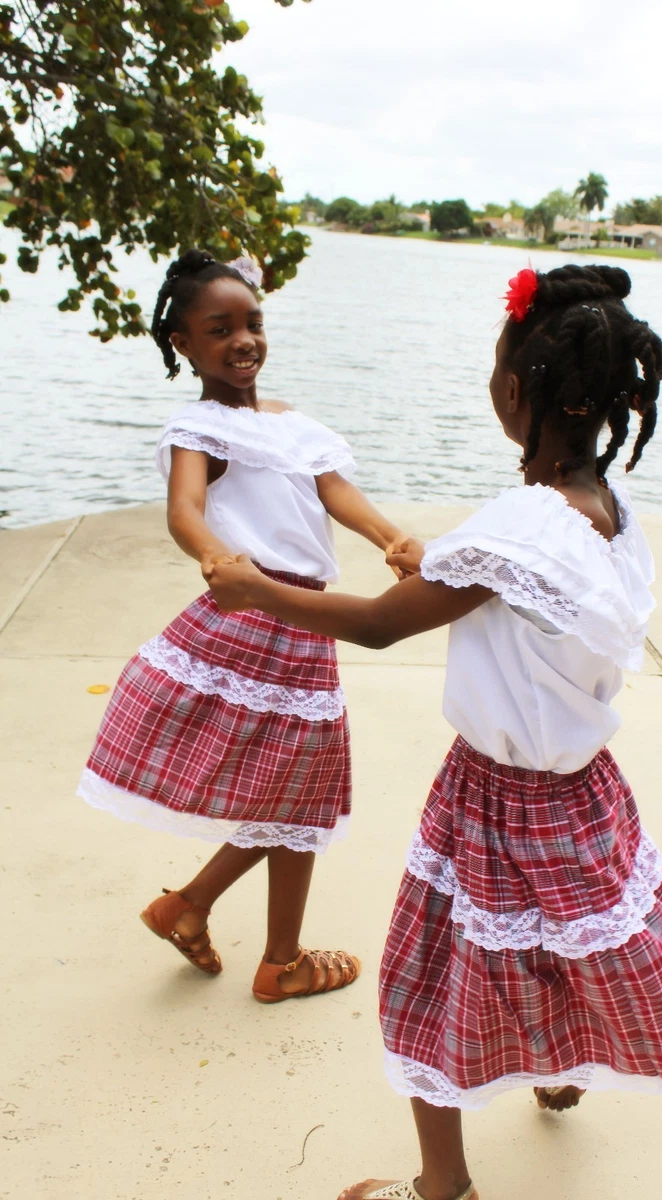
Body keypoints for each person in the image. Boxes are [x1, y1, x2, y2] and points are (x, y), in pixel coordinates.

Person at [206, 263, 662, 1200]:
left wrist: (253, 589)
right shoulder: (606, 507)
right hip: (584, 790)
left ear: (514, 391)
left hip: (495, 796)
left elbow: (377, 621)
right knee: (553, 944)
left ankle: (443, 1187)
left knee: (431, 979)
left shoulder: (523, 525)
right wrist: (434, 557)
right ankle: (557, 1065)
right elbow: (510, 586)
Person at [78, 248, 412, 1003]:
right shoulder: (198, 427)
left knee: (298, 792)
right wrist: (218, 560)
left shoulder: (293, 424)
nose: (243, 341)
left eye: (254, 323)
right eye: (219, 328)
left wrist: (391, 539)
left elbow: (336, 490)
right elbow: (185, 510)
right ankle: (277, 958)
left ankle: (191, 907)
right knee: (304, 791)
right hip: (256, 611)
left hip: (303, 621)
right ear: (184, 344)